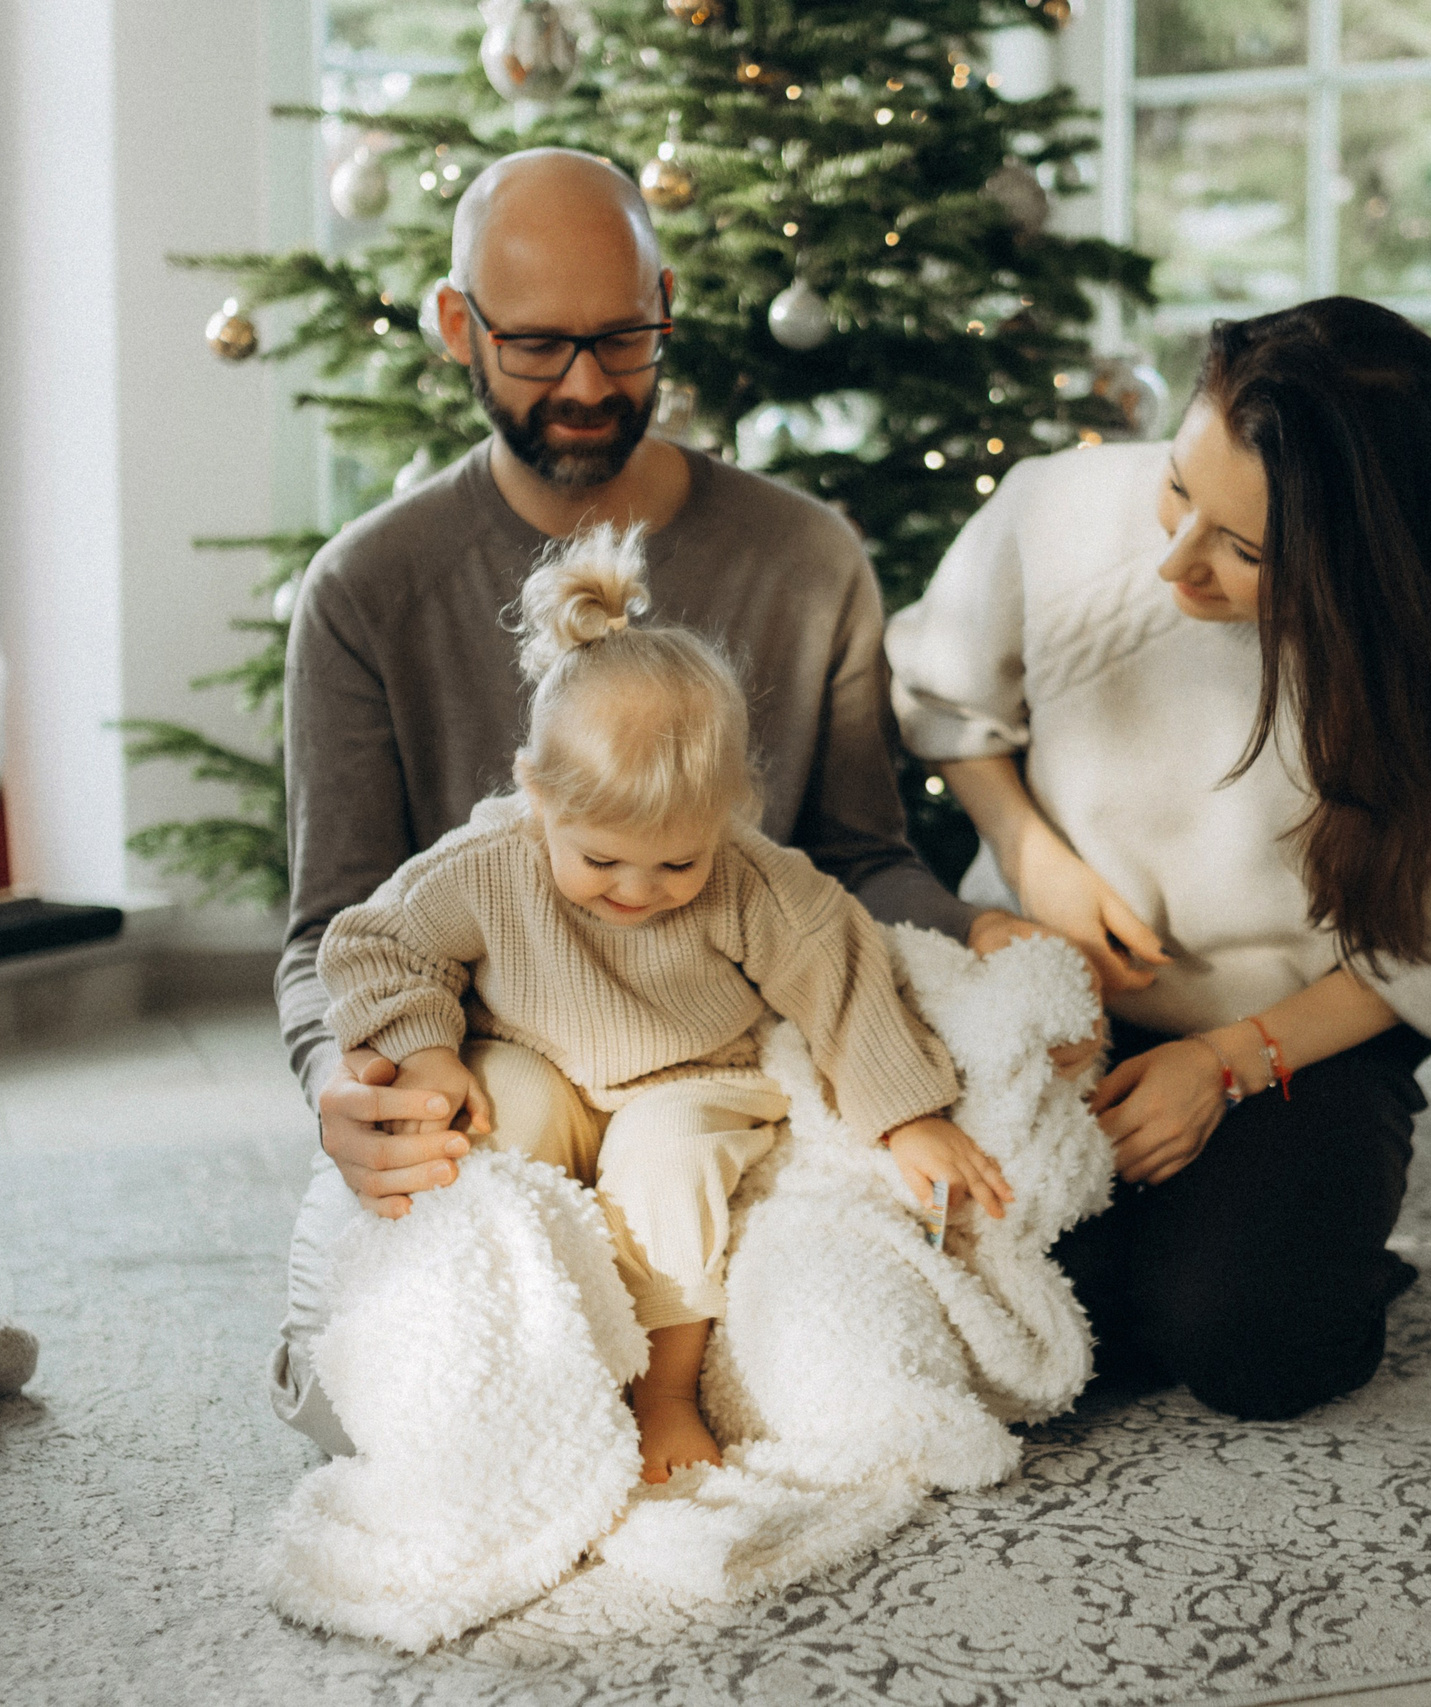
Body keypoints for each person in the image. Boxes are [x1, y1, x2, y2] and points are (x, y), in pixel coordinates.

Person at [268, 147, 1056, 1456]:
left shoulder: (805, 560)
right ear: (459, 325)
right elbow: (339, 930)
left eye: (622, 339)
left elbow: (859, 864)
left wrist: (989, 944)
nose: (586, 384)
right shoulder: (366, 589)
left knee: (873, 1362)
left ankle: (679, 1371)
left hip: (720, 1075)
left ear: (668, 308)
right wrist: (343, 1083)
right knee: (364, 1401)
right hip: (478, 1070)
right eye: (537, 345)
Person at [886, 296, 1431, 1422]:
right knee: (982, 1310)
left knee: (1260, 1347)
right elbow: (943, 704)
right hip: (1047, 1007)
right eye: (1176, 489)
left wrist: (1225, 1062)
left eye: (1244, 550)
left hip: (1303, 1035)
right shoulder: (1052, 507)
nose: (1173, 563)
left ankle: (1278, 1231)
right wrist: (1032, 854)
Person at [319, 527, 1011, 1481]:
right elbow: (373, 942)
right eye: (600, 859)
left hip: (692, 1077)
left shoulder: (754, 884)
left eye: (676, 862)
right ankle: (509, 1344)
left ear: (727, 813)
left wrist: (910, 1116)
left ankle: (664, 1395)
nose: (637, 890)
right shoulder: (488, 863)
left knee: (663, 1161)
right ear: (535, 797)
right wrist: (424, 1046)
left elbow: (843, 975)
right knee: (490, 1117)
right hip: (541, 1057)